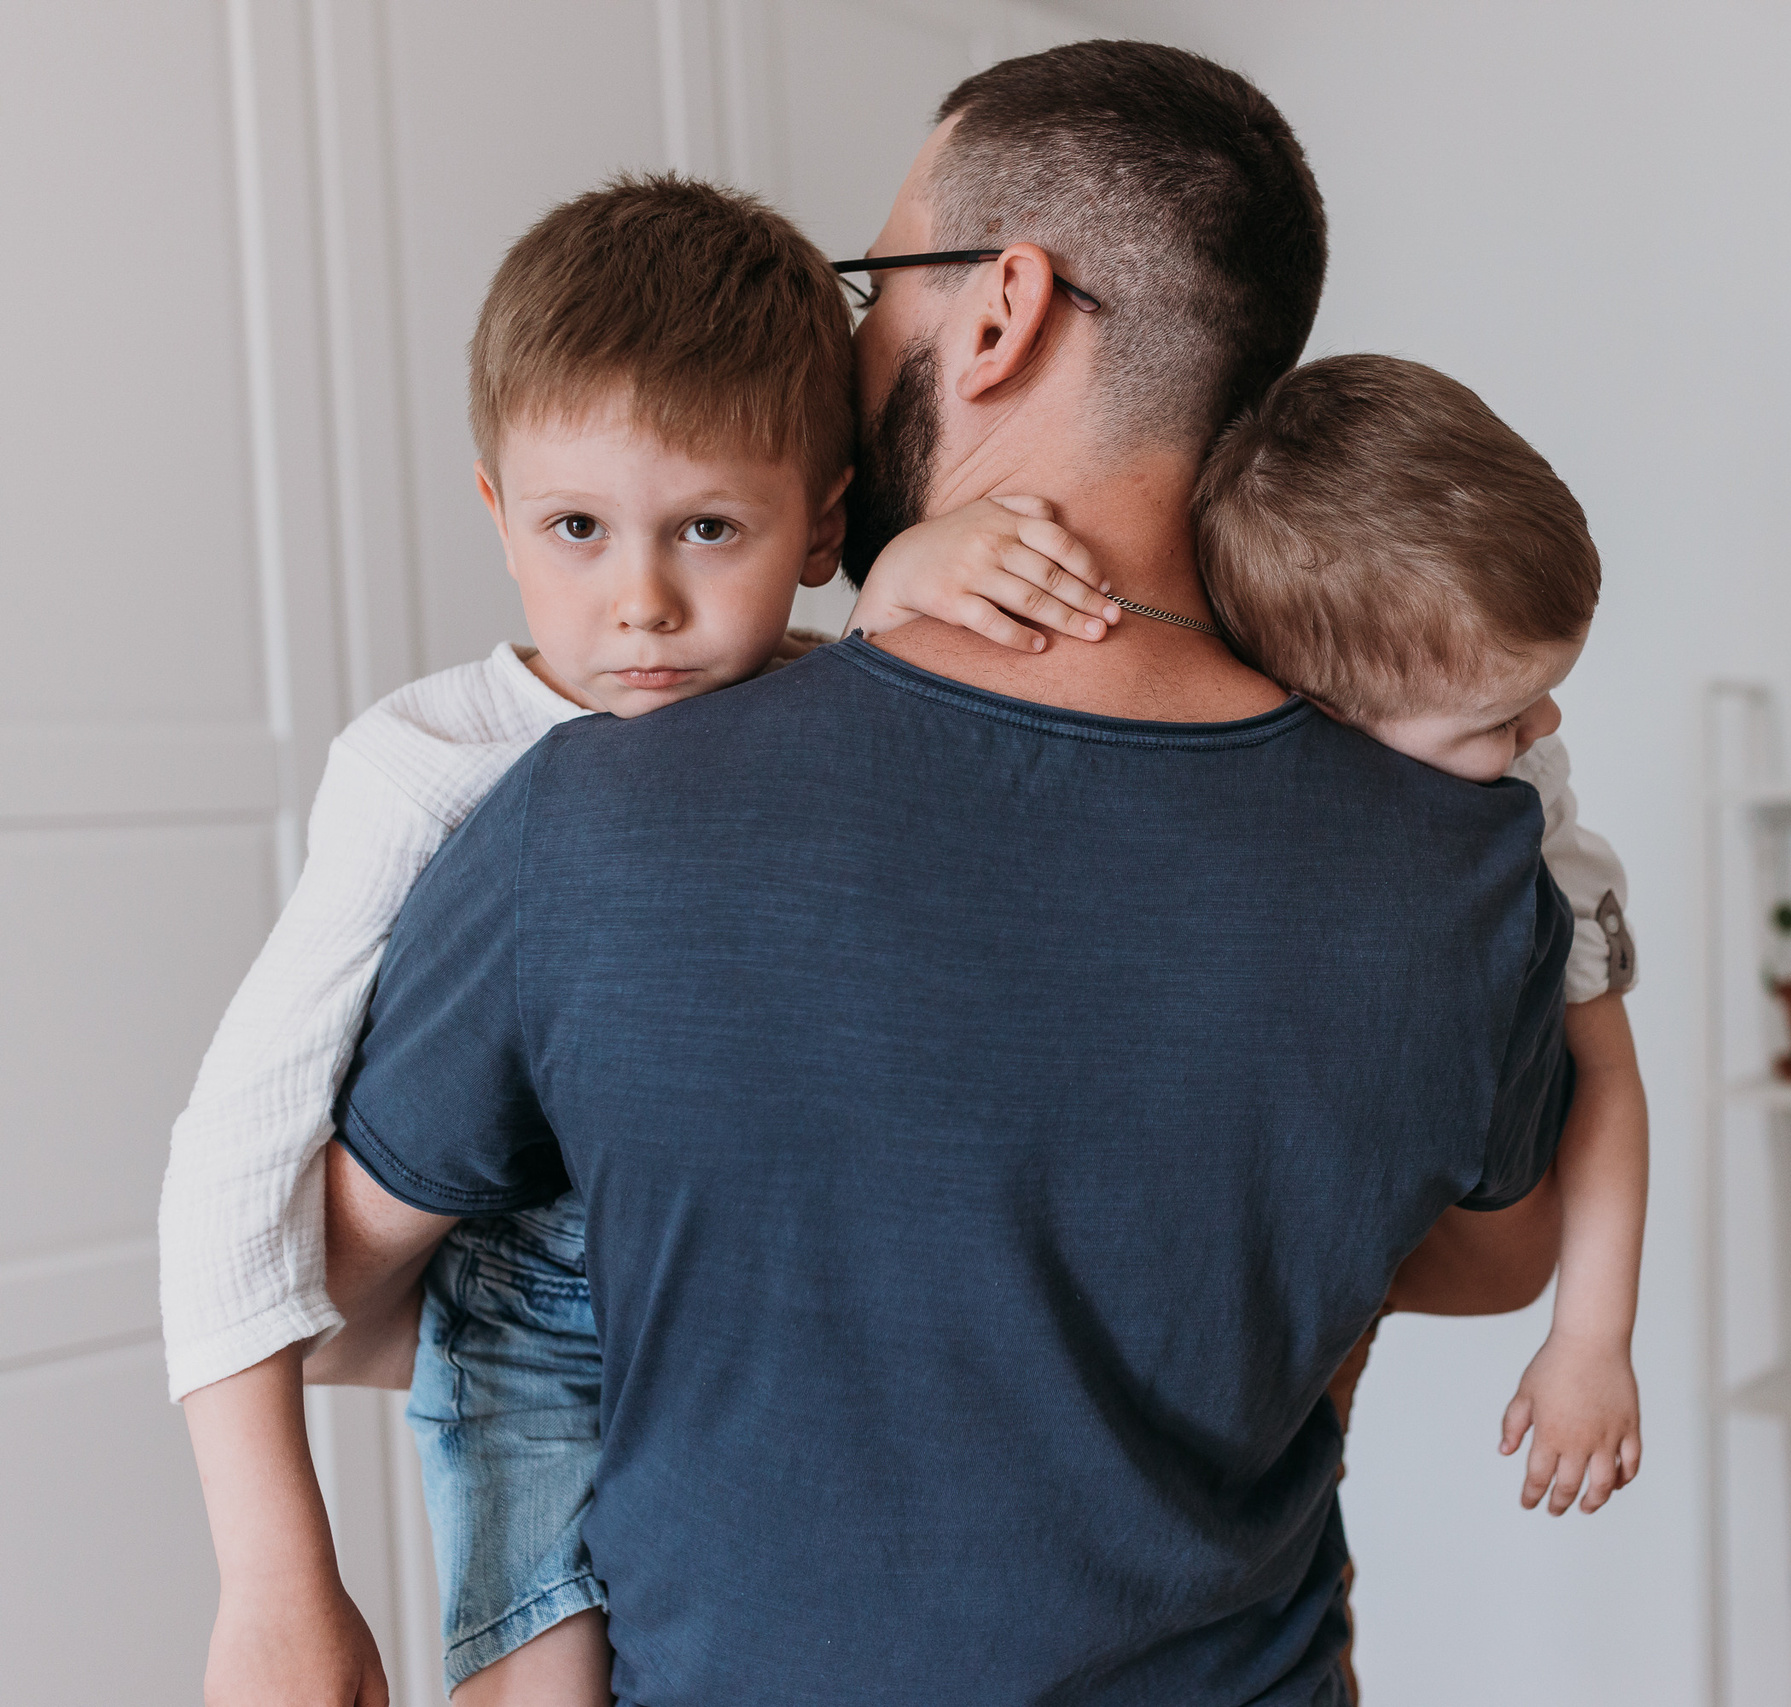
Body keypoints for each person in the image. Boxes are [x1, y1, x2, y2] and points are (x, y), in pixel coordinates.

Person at [316, 40, 1573, 1706]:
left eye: (878, 285)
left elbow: (324, 1298)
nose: (850, 343)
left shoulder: (599, 817)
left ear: (1000, 312)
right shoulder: (1463, 869)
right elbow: (1499, 1260)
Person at [160, 174, 1121, 1707]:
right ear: (495, 509)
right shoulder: (425, 766)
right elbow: (230, 1157)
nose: (643, 605)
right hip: (529, 1334)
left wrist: (906, 594)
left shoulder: (839, 693)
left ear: (822, 521)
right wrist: (277, 1574)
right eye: (577, 529)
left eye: (711, 528)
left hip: (786, 1313)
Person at [1197, 352, 1649, 1518]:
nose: (1545, 725)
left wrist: (1590, 1341)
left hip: (1459, 1222)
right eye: (1500, 716)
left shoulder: (1527, 812)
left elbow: (1604, 1076)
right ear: (1326, 709)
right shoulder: (1216, 741)